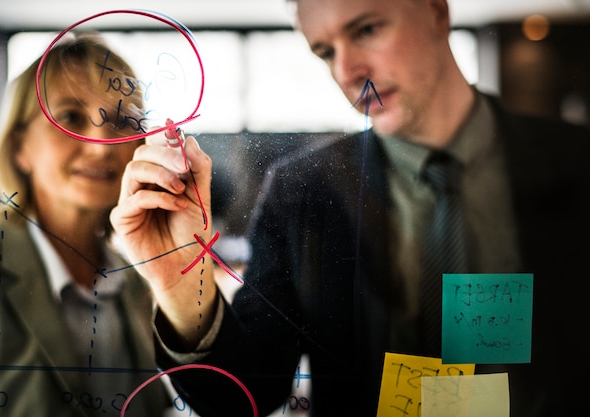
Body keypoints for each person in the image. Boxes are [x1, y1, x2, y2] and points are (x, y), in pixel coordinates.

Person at [110, 0, 590, 416]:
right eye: (325, 51)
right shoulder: (301, 192)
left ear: (436, 13)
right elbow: (247, 396)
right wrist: (179, 286)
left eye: (366, 29)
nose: (346, 72)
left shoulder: (574, 162)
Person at [0, 33, 184, 416]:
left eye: (121, 121)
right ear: (20, 148)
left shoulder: (135, 281)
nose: (100, 145)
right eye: (69, 117)